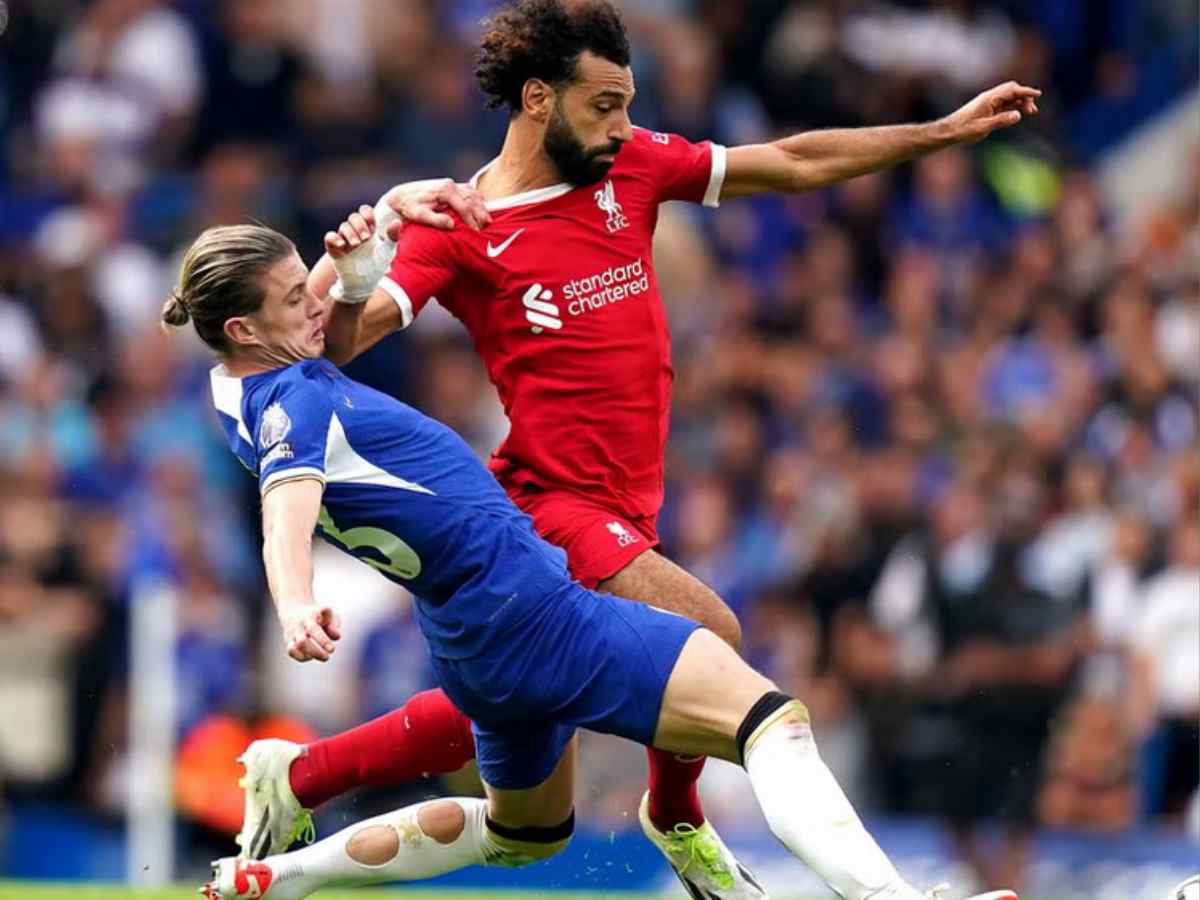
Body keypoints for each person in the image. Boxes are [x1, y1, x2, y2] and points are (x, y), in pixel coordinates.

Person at [308, 3, 1040, 891]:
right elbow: (344, 341)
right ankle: (688, 819)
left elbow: (796, 161)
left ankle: (295, 794)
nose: (620, 126)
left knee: (523, 793)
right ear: (537, 98)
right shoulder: (462, 223)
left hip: (625, 509)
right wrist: (358, 260)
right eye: (602, 105)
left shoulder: (637, 167)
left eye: (626, 104)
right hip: (549, 509)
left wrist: (939, 132)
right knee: (717, 640)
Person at [166, 211, 1019, 900]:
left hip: (474, 638)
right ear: (244, 327)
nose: (313, 307)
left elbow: (301, 343)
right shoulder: (292, 407)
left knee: (524, 834)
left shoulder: (236, 388)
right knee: (769, 718)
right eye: (292, 299)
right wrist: (292, 600)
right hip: (535, 613)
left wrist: (361, 249)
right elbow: (287, 511)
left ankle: (274, 878)